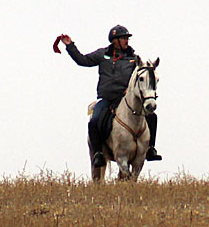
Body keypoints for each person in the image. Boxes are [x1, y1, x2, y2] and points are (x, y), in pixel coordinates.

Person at [61, 25, 162, 167]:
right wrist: (70, 45)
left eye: (127, 38)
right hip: (107, 99)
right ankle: (98, 153)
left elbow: (141, 78)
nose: (127, 41)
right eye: (124, 38)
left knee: (152, 116)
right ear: (115, 41)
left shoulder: (134, 59)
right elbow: (82, 60)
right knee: (95, 120)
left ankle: (150, 148)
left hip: (125, 98)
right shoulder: (102, 54)